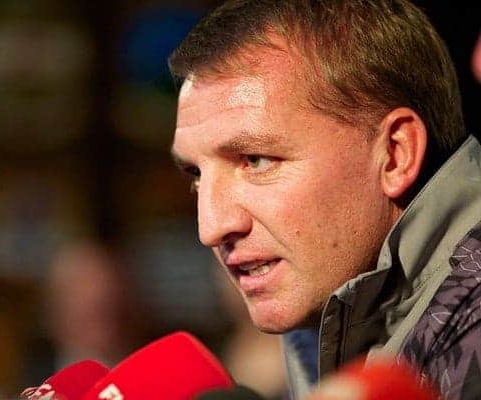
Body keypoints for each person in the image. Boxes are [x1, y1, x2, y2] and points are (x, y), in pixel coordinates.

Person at [168, 1, 481, 399]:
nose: (210, 227)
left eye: (256, 160)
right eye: (196, 175)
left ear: (395, 154)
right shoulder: (325, 305)